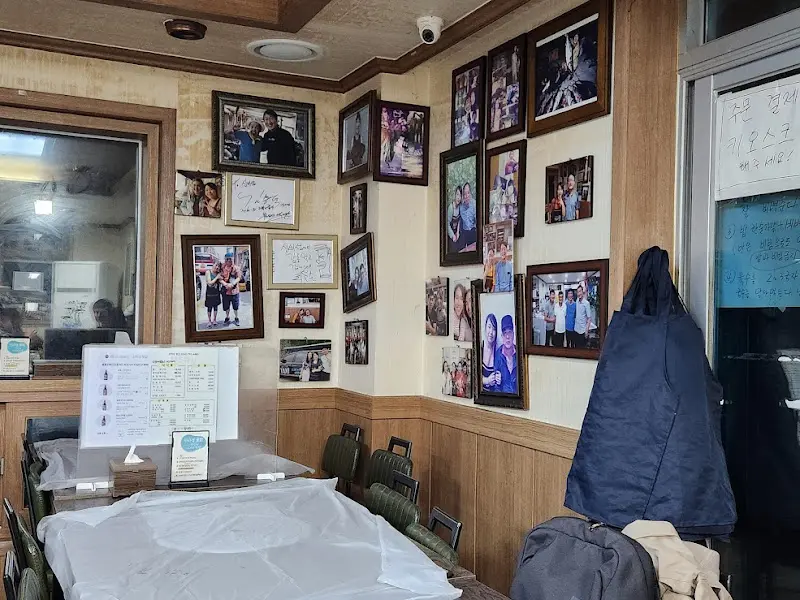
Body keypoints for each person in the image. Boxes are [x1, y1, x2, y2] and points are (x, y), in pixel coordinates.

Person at [494, 315, 518, 394]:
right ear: (502, 336)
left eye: (509, 332)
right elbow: (496, 387)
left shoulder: (519, 353)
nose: (507, 336)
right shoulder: (497, 355)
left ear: (513, 334)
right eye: (505, 333)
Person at [220, 252, 242, 326]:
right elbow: (220, 278)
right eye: (227, 259)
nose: (229, 261)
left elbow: (239, 277)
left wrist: (232, 284)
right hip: (225, 291)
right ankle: (227, 317)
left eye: (230, 259)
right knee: (226, 306)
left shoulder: (236, 268)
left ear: (232, 259)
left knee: (235, 306)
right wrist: (225, 284)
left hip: (234, 291)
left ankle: (236, 317)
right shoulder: (222, 268)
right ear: (225, 260)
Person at [482, 313, 501, 392]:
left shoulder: (498, 352)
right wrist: (486, 380)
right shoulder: (480, 347)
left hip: (493, 395)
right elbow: (472, 376)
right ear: (485, 328)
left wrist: (499, 379)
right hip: (479, 394)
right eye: (489, 327)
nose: (491, 332)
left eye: (494, 329)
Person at [574, 284, 593, 349]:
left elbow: (589, 318)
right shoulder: (577, 301)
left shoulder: (586, 303)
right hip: (576, 329)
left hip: (582, 331)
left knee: (581, 349)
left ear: (583, 292)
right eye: (577, 292)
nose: (579, 293)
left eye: (580, 291)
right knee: (576, 348)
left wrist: (586, 331)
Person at [460, 182, 478, 249]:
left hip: (474, 231)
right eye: (464, 194)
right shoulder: (461, 207)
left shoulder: (474, 204)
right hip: (465, 234)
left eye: (468, 193)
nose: (466, 196)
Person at [204, 262, 222, 327]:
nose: (217, 267)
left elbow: (221, 281)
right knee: (209, 307)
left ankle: (214, 320)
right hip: (209, 293)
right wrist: (217, 277)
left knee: (215, 307)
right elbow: (209, 283)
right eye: (216, 265)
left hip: (216, 293)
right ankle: (209, 321)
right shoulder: (208, 272)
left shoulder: (218, 273)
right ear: (213, 265)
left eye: (218, 266)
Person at [446, 185, 462, 254]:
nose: (458, 198)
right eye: (457, 194)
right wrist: (453, 236)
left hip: (456, 230)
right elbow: (447, 223)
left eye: (460, 195)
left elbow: (459, 220)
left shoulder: (460, 207)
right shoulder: (451, 208)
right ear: (455, 195)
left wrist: (457, 232)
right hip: (450, 231)